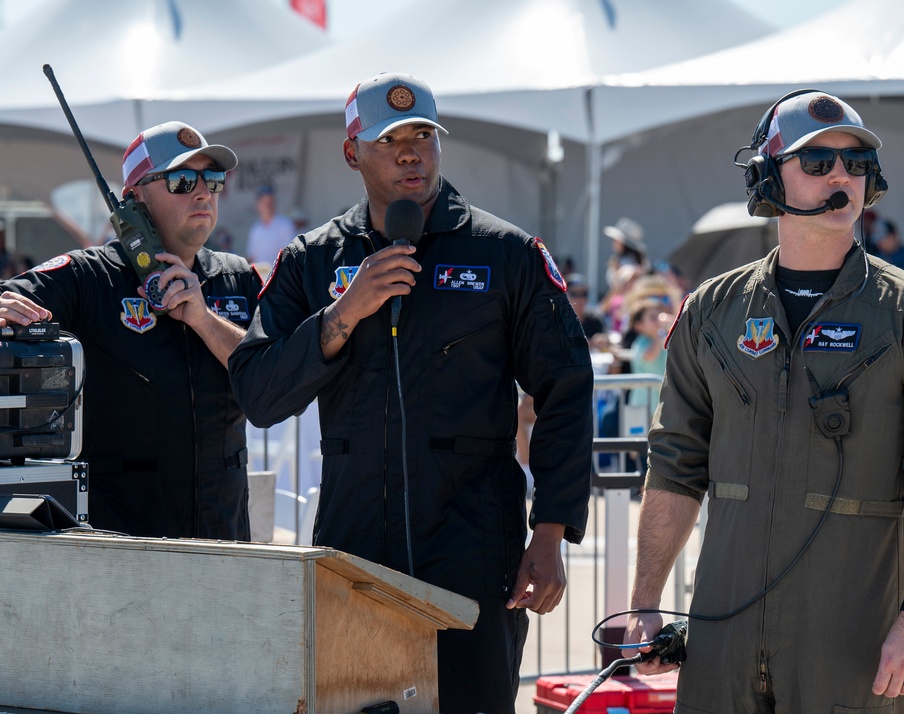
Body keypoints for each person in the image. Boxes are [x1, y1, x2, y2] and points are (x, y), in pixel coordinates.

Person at [228, 72, 593, 713]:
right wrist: (343, 314)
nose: (410, 152)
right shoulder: (313, 260)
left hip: (475, 542)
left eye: (423, 134)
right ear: (351, 153)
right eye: (389, 138)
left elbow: (566, 389)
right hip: (355, 542)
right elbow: (257, 393)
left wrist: (551, 530)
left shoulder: (505, 253)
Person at [624, 90, 904, 713]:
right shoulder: (712, 312)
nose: (841, 175)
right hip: (722, 640)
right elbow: (676, 462)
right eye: (816, 162)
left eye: (854, 162)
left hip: (849, 646)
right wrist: (645, 603)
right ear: (769, 179)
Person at [0, 121, 261, 539]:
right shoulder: (89, 277)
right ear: (133, 198)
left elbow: (268, 381)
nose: (202, 192)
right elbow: (10, 299)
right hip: (120, 545)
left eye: (212, 179)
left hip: (224, 538)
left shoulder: (237, 278)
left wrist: (202, 318)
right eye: (180, 179)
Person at [245, 184, 297, 271]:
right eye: (264, 202)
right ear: (258, 205)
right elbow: (251, 257)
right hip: (260, 279)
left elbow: (289, 257)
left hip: (279, 278)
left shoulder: (285, 225)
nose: (268, 205)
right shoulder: (255, 230)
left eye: (271, 201)